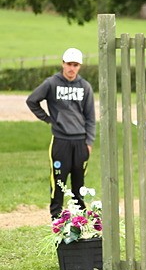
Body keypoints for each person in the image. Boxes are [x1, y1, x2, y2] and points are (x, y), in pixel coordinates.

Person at [27, 47, 96, 219]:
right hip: (61, 141)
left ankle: (81, 220)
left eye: (75, 65)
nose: (72, 68)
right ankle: (56, 219)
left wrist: (89, 142)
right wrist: (49, 119)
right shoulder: (51, 83)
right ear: (62, 64)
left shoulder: (85, 87)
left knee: (79, 184)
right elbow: (32, 101)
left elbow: (90, 117)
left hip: (80, 143)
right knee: (58, 182)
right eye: (69, 64)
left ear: (79, 66)